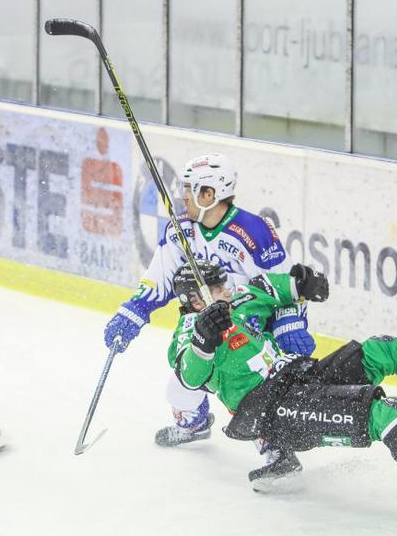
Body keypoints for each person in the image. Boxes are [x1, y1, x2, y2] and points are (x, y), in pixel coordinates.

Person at [173, 261, 397, 521]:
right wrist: (203, 339)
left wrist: (302, 282)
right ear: (195, 299)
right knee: (380, 411)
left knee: (376, 352)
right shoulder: (189, 332)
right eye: (217, 287)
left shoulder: (237, 304)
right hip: (275, 412)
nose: (226, 289)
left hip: (301, 376)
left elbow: (272, 288)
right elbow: (189, 376)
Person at [105, 153, 313, 445]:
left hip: (252, 333)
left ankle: (273, 445)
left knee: (254, 392)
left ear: (210, 194)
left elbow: (282, 285)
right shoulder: (180, 230)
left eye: (189, 188)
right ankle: (195, 423)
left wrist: (289, 325)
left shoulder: (254, 231)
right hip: (207, 328)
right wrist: (133, 311)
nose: (183, 196)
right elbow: (159, 279)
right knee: (181, 387)